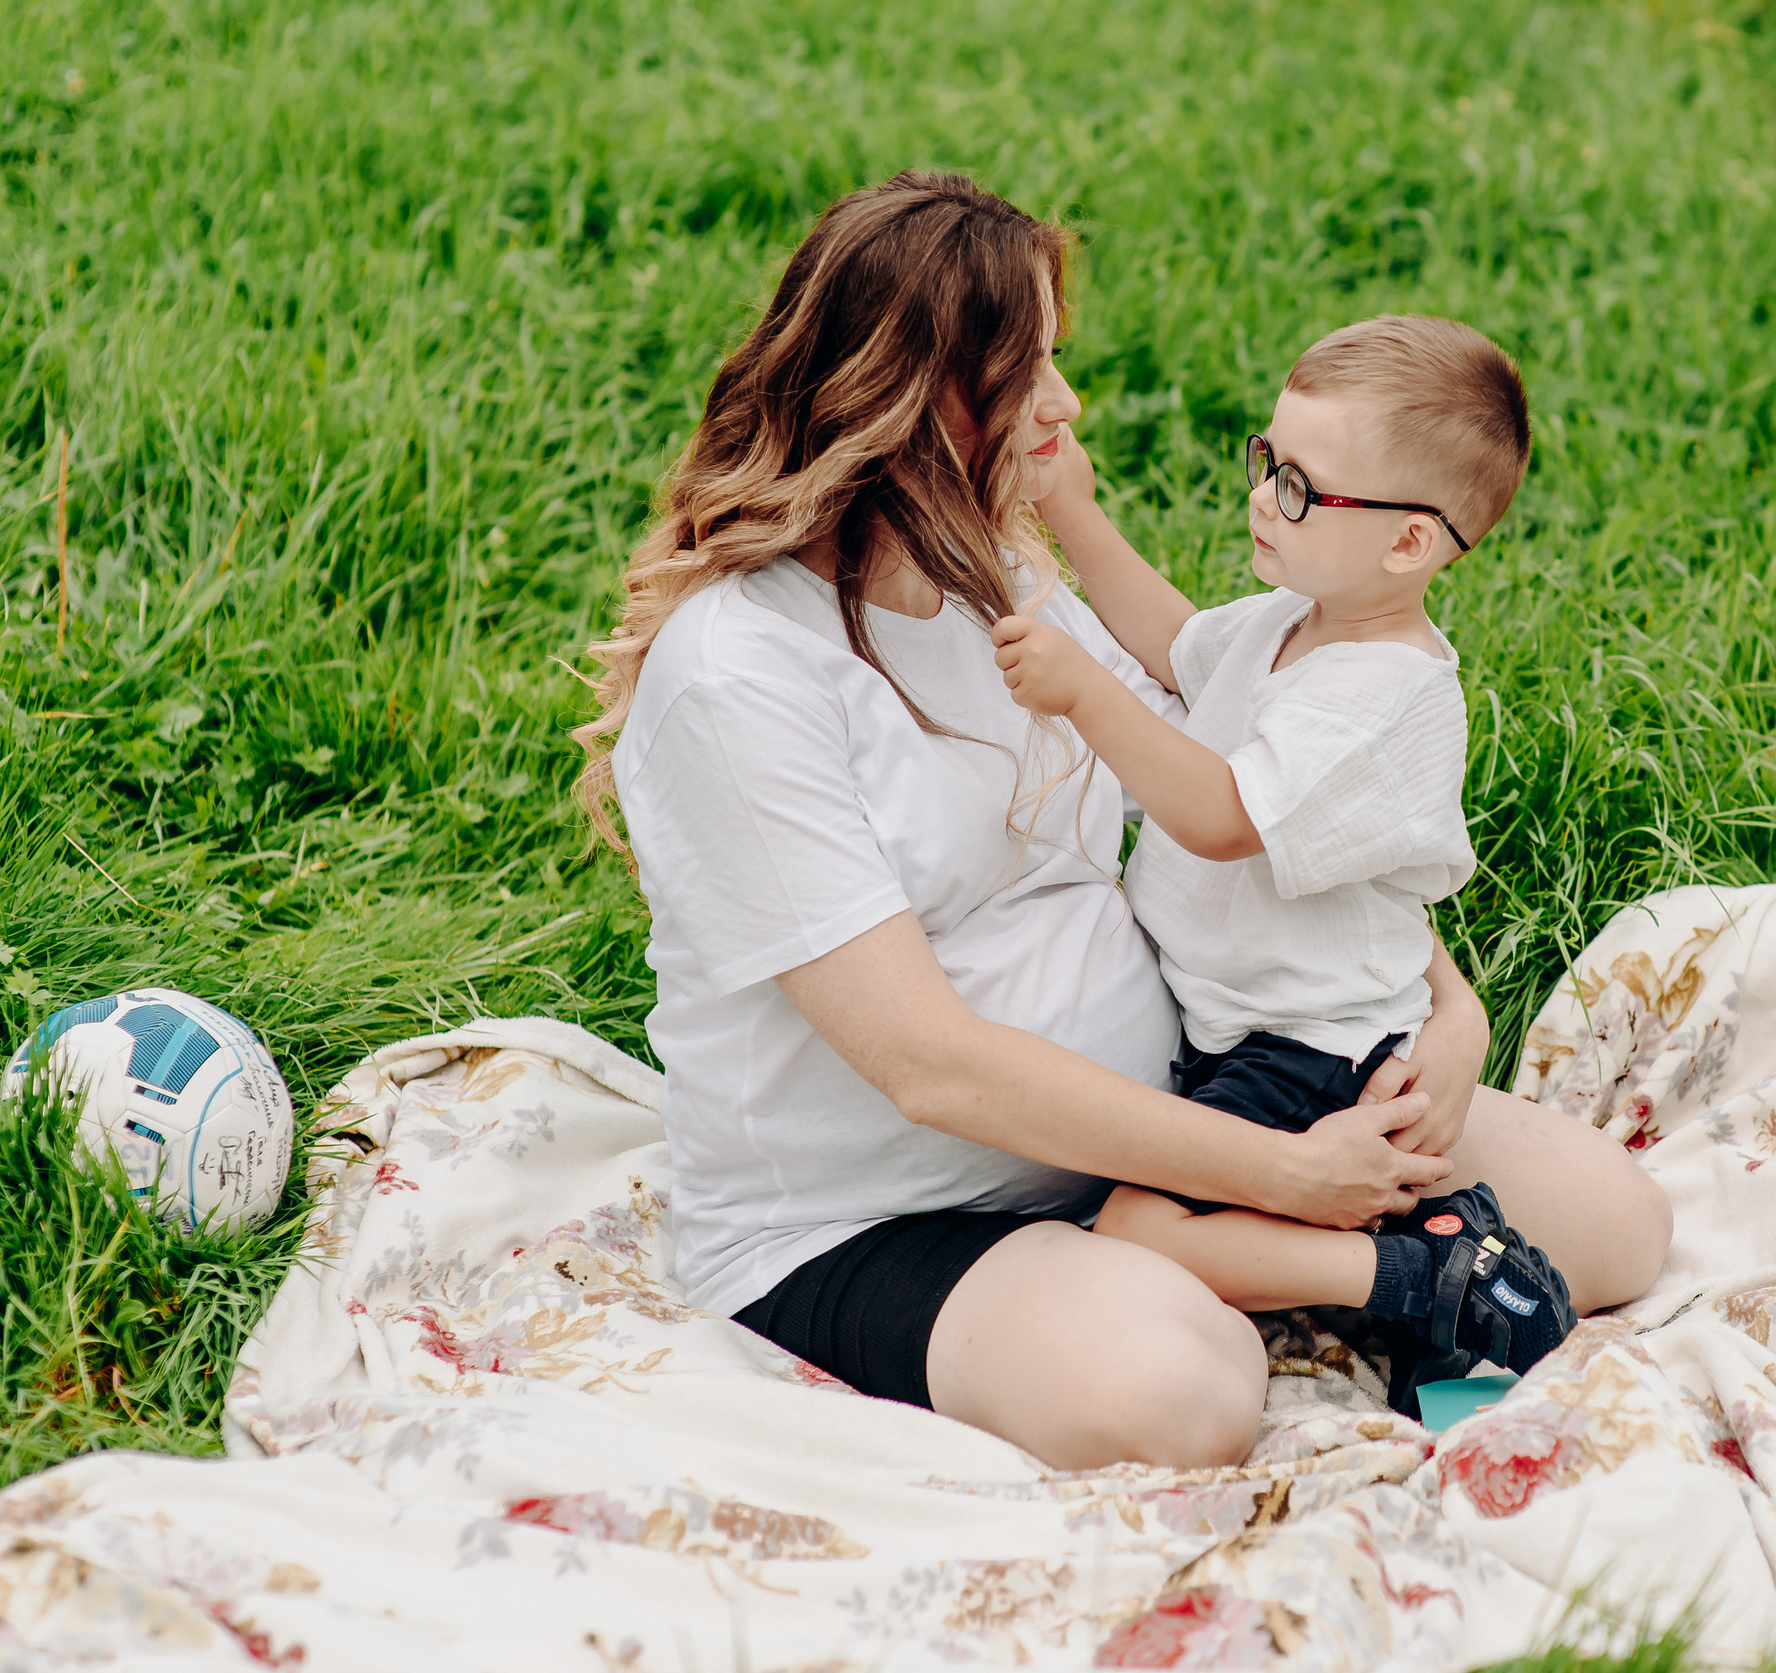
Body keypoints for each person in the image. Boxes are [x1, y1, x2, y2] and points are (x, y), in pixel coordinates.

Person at [573, 170, 1670, 1472]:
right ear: (931, 403)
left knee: (1619, 1226)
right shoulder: (741, 674)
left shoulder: (995, 572)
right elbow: (932, 1066)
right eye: (1033, 370)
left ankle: (1276, 1264)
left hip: (1194, 1094)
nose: (1067, 405)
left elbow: (1259, 799)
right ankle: (1353, 1282)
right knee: (1180, 1392)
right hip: (885, 1214)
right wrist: (1289, 1179)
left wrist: (1450, 1012)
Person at [990, 316, 1579, 1406]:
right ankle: (1443, 1279)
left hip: (1307, 1042)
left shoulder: (1382, 694)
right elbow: (1175, 647)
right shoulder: (1292, 621)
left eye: (1300, 486)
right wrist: (1068, 501)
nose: (1264, 496)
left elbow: (1220, 813)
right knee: (1173, 1214)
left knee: (1135, 1229)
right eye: (1267, 460)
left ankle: (1422, 1276)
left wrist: (1082, 690)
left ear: (1408, 545)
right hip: (1258, 1019)